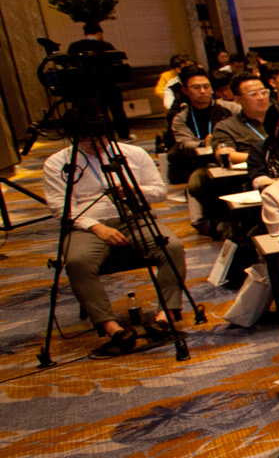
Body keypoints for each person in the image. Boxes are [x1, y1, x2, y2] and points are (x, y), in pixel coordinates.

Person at [45, 133, 188, 358]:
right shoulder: (58, 163)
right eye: (86, 140)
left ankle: (165, 317)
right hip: (87, 225)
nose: (94, 143)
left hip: (134, 217)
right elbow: (60, 208)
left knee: (172, 247)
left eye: (99, 137)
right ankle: (113, 329)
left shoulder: (132, 154)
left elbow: (160, 192)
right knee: (77, 261)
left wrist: (133, 188)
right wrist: (95, 227)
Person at [166, 67, 237, 187]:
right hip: (202, 163)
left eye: (206, 86)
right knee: (198, 184)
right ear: (185, 91)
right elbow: (186, 144)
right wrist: (204, 143)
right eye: (196, 88)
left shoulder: (231, 108)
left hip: (233, 156)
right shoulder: (181, 118)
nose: (203, 91)